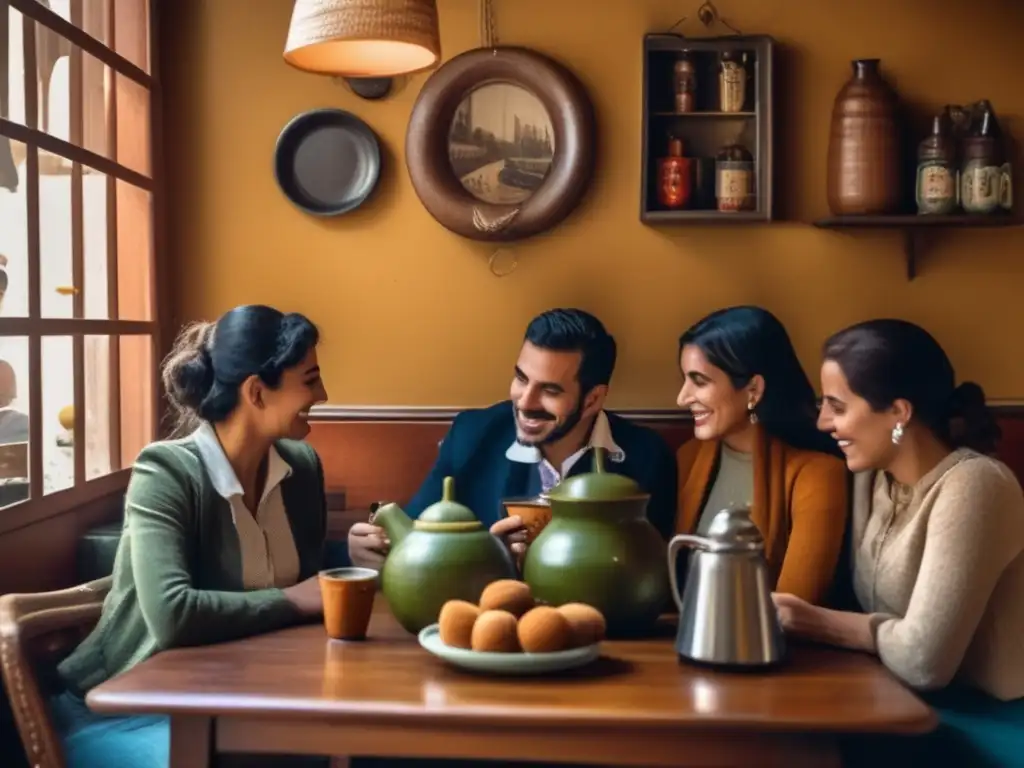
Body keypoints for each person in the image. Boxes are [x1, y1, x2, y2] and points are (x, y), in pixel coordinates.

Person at [50, 305, 330, 768]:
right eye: (310, 379)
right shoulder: (164, 472)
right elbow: (173, 614)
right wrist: (296, 600)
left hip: (234, 701)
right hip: (125, 709)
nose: (323, 393)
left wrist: (350, 555)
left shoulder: (302, 468)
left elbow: (310, 577)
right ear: (257, 392)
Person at [775, 318, 1024, 767]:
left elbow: (925, 661)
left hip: (992, 723)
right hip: (899, 701)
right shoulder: (870, 477)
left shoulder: (976, 485)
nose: (823, 421)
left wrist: (813, 621)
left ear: (899, 412)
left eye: (837, 405)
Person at [347, 308, 678, 569]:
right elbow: (417, 538)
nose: (525, 402)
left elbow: (651, 569)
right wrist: (370, 548)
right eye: (521, 379)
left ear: (592, 400)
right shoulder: (472, 435)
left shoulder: (646, 457)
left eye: (549, 390)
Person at [674, 306, 848, 605]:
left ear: (753, 389)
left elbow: (794, 609)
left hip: (769, 646)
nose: (682, 398)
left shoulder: (817, 475)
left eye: (699, 381)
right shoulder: (688, 458)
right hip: (680, 639)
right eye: (684, 379)